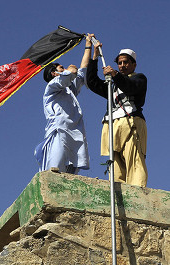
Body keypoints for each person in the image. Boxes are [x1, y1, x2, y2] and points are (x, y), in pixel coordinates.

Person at [86, 41, 148, 187]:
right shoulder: (112, 85)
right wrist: (94, 57)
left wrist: (114, 75)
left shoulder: (139, 78)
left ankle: (138, 192)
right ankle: (118, 193)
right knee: (115, 163)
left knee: (134, 160)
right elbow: (92, 82)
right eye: (119, 63)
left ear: (134, 65)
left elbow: (130, 87)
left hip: (131, 122)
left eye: (125, 62)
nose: (122, 66)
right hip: (113, 124)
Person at [34, 34, 94, 175]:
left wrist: (88, 45)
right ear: (54, 73)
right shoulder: (52, 86)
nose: (64, 67)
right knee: (55, 169)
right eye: (61, 67)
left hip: (74, 132)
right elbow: (72, 72)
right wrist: (71, 69)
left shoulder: (69, 90)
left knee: (70, 173)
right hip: (59, 131)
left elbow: (82, 70)